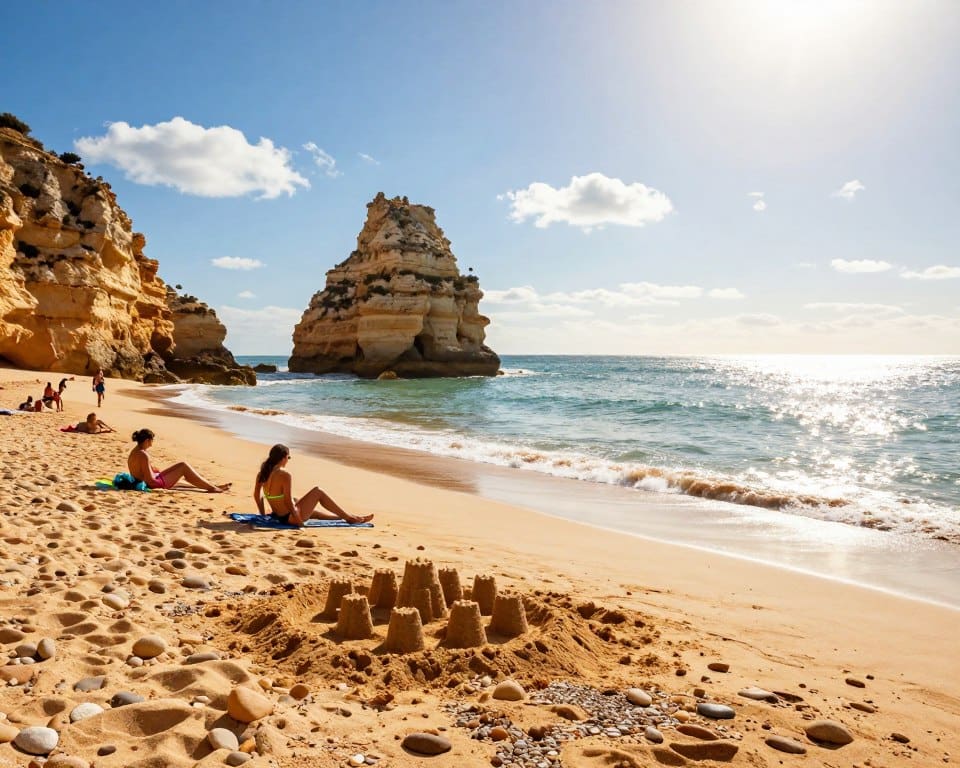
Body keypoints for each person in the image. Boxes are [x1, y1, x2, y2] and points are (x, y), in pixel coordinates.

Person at [254, 443, 372, 526]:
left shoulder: (262, 473)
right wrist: (299, 522)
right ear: (283, 458)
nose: (288, 460)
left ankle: (347, 517)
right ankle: (350, 518)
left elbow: (256, 495)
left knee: (305, 506)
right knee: (318, 491)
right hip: (289, 518)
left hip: (279, 516)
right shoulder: (284, 474)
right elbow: (288, 502)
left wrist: (263, 515)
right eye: (288, 457)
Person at [127, 428, 231, 493]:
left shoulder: (135, 451)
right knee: (183, 467)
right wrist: (156, 474)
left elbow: (140, 472)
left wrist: (154, 470)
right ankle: (212, 488)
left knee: (181, 467)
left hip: (140, 481)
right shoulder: (143, 454)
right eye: (151, 441)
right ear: (147, 440)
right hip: (153, 484)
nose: (152, 443)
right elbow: (149, 480)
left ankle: (212, 486)